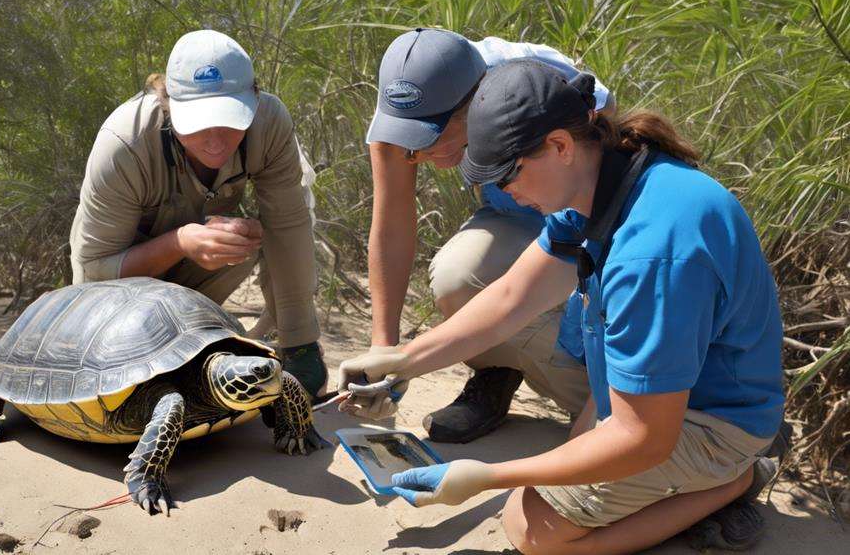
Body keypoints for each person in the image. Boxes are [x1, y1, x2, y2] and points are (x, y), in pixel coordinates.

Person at [339, 59, 784, 553]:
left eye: (507, 173)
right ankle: (704, 482)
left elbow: (645, 438)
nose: (501, 191)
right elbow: (512, 298)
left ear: (559, 146)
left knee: (531, 528)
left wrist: (486, 477)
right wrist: (402, 359)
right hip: (662, 391)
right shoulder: (602, 182)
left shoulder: (653, 249)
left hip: (713, 418)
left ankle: (734, 480)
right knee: (574, 451)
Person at [363, 28, 613, 442]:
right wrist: (385, 353)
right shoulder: (397, 111)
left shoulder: (543, 84)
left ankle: (616, 404)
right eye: (412, 143)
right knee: (458, 277)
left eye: (436, 135)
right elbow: (391, 228)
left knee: (584, 322)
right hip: (518, 215)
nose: (423, 154)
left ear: (480, 101)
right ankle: (495, 373)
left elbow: (609, 210)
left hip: (581, 216)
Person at [69, 30, 327, 397]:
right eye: (198, 122)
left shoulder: (270, 123)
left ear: (254, 99)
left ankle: (285, 344)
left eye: (231, 119)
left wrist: (301, 339)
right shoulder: (124, 143)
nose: (216, 140)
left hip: (191, 289)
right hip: (115, 296)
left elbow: (289, 225)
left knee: (270, 228)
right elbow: (95, 275)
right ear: (168, 103)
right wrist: (181, 242)